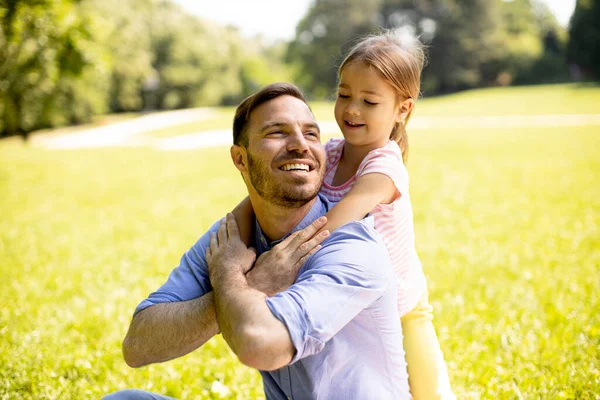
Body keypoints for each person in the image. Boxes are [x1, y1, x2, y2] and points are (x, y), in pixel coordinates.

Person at [105, 82, 410, 399]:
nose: (299, 145)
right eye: (277, 132)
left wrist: (230, 278)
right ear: (240, 159)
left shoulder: (351, 246)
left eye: (310, 134)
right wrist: (250, 282)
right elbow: (138, 345)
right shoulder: (232, 240)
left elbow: (261, 346)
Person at [233, 31, 454, 399]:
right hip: (352, 302)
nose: (351, 109)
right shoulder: (330, 153)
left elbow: (341, 218)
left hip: (402, 306)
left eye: (369, 101)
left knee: (429, 392)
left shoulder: (384, 165)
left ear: (403, 109)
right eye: (344, 94)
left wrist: (286, 254)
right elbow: (261, 198)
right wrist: (237, 231)